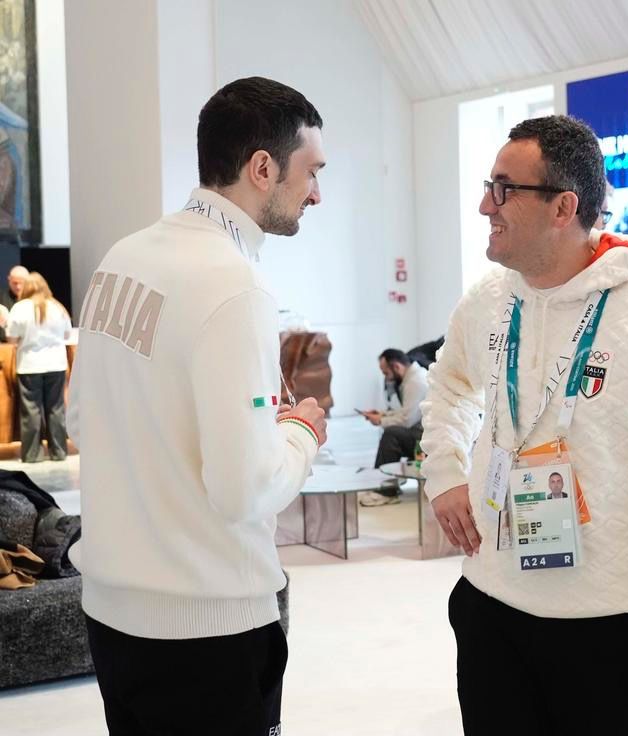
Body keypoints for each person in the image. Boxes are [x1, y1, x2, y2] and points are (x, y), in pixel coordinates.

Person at [420, 114, 628, 736]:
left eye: (505, 189)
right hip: (493, 602)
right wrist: (444, 473)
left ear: (564, 207)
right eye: (488, 186)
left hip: (614, 618)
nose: (486, 205)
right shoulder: (489, 297)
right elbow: (450, 383)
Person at [65, 76, 329, 736]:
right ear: (262, 168)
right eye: (311, 171)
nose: (317, 192)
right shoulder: (234, 285)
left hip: (112, 617)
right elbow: (244, 489)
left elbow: (78, 419)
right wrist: (300, 433)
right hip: (207, 629)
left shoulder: (122, 258)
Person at [6, 272, 71, 463]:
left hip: (29, 365)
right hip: (56, 364)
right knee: (56, 408)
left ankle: (32, 454)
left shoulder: (20, 308)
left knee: (31, 410)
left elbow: (12, 338)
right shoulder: (57, 307)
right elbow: (67, 335)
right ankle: (59, 452)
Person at [359, 348, 429, 506]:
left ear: (396, 367)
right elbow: (409, 412)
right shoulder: (413, 378)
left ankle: (386, 491)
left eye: (386, 373)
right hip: (423, 433)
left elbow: (406, 420)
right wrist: (382, 414)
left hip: (426, 439)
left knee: (392, 435)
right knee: (393, 432)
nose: (386, 378)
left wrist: (381, 421)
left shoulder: (416, 382)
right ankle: (383, 485)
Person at [0, 265, 29, 341]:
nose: (18, 287)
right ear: (9, 279)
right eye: (15, 283)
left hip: (28, 343)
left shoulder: (33, 300)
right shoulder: (1, 298)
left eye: (21, 283)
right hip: (4, 343)